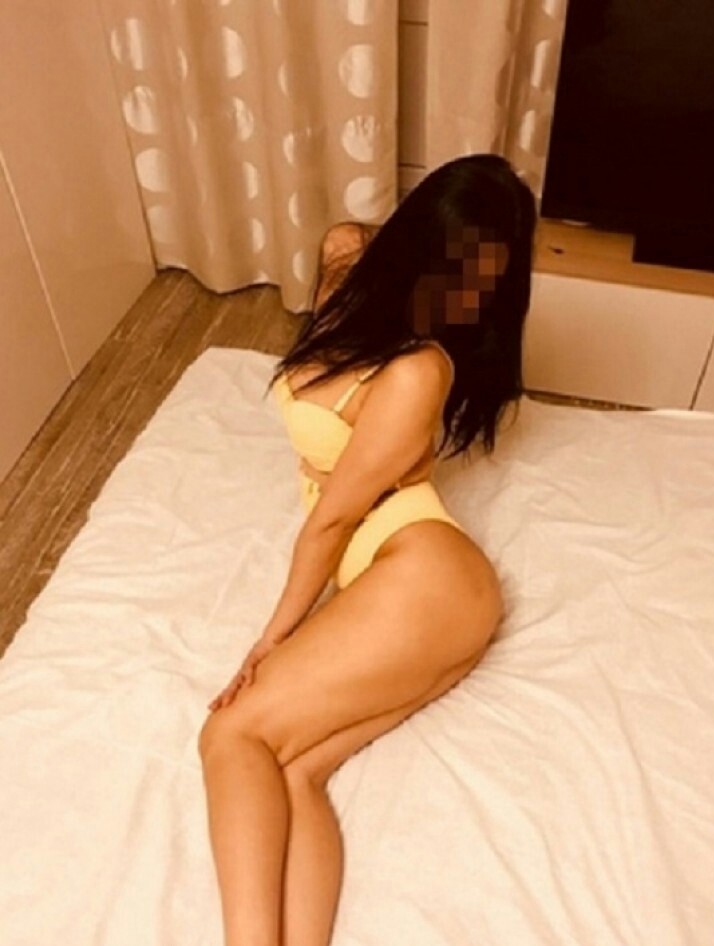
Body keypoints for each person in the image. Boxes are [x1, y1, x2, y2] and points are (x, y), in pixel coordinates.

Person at [198, 153, 537, 946]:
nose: (468, 296)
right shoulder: (349, 264)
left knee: (229, 733)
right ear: (417, 239)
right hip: (416, 589)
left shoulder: (421, 368)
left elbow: (332, 521)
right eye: (458, 268)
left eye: (488, 280)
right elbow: (344, 241)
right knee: (295, 768)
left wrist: (271, 638)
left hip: (425, 572)